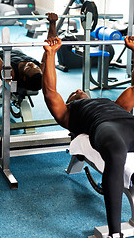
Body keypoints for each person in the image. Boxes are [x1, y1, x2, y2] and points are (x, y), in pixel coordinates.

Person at [42, 36, 134, 238]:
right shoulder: (68, 113)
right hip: (106, 128)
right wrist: (50, 54)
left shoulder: (114, 103)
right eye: (74, 93)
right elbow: (50, 91)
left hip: (128, 122)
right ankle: (115, 234)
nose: (77, 89)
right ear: (68, 102)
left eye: (79, 91)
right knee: (116, 157)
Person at [0, 12, 58, 91]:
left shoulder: (11, 73)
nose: (32, 64)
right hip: (16, 52)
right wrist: (52, 23)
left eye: (29, 68)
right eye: (36, 66)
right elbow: (51, 46)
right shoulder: (40, 69)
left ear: (24, 77)